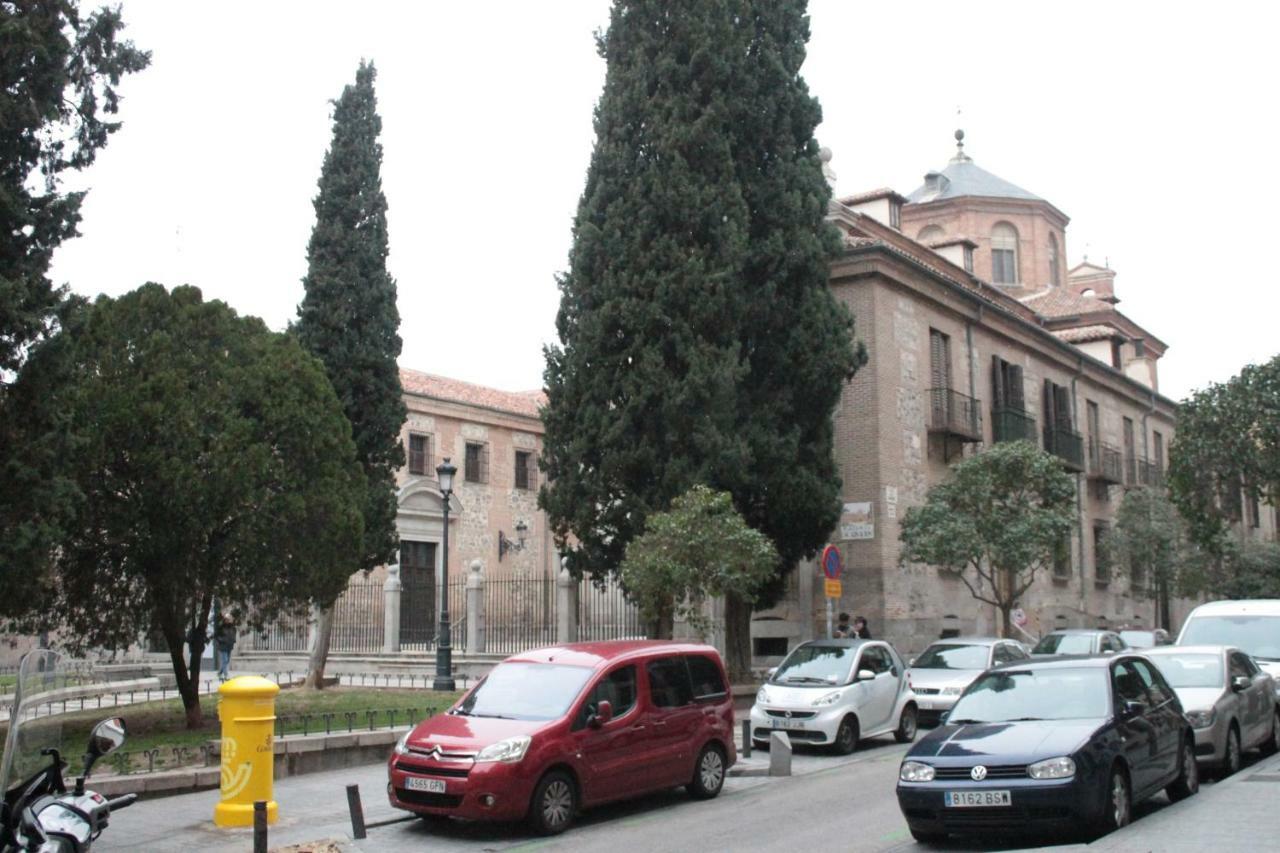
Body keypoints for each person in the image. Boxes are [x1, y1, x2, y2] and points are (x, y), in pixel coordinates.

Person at [214, 614, 237, 681]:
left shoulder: (233, 627)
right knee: (225, 660)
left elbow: (233, 634)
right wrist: (221, 640)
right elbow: (216, 636)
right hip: (222, 646)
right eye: (227, 619)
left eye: (229, 619)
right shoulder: (221, 627)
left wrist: (233, 640)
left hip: (229, 646)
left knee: (227, 660)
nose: (228, 620)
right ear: (224, 620)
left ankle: (219, 673)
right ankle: (226, 675)